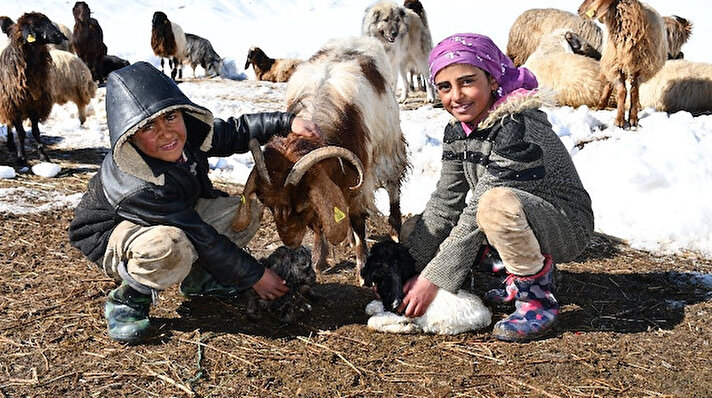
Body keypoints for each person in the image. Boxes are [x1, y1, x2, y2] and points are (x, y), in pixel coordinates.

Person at [68, 61, 321, 344]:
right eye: (149, 126)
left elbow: (237, 131)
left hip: (176, 216)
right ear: (130, 136)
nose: (166, 132)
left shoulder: (186, 136)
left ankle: (200, 279)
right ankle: (129, 300)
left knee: (246, 208)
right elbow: (200, 236)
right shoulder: (138, 183)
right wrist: (255, 275)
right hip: (115, 234)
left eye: (170, 117)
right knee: (170, 246)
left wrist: (286, 122)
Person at [397, 33, 594, 342]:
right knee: (417, 229)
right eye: (445, 87)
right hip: (515, 217)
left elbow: (477, 213)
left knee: (493, 205)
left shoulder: (516, 126)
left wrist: (431, 280)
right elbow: (445, 202)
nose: (456, 96)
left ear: (492, 79)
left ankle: (536, 298)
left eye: (467, 81)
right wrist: (405, 266)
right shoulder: (459, 131)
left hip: (563, 223)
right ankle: (516, 272)